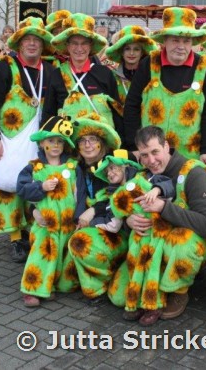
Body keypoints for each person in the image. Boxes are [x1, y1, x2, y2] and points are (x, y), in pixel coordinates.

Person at [108, 125, 206, 326]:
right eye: (144, 155)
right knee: (118, 297)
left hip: (192, 241)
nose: (151, 160)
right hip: (152, 245)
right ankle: (150, 285)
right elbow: (125, 206)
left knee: (179, 243)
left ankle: (178, 290)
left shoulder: (194, 173)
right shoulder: (143, 176)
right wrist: (128, 220)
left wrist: (163, 208)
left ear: (166, 146)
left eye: (155, 152)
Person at [0, 16, 57, 263]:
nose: (32, 44)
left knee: (36, 184)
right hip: (9, 139)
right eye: (27, 40)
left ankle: (33, 231)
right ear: (19, 43)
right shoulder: (3, 66)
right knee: (8, 186)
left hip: (40, 140)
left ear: (43, 44)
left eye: (37, 40)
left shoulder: (50, 70)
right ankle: (15, 238)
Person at [123, 7, 206, 168]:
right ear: (164, 40)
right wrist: (134, 146)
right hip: (149, 157)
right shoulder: (149, 63)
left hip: (189, 156)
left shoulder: (205, 66)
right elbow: (132, 105)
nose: (181, 46)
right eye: (175, 40)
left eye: (186, 41)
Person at [16, 115, 80, 307]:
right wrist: (41, 187)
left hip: (67, 223)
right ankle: (32, 288)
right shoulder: (34, 167)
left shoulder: (73, 166)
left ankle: (49, 285)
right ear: (42, 142)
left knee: (60, 256)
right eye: (51, 141)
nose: (55, 145)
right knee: (42, 253)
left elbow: (81, 193)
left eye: (59, 141)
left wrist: (78, 217)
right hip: (45, 222)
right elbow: (21, 189)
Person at [67, 114, 129, 300]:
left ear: (102, 143)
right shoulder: (76, 168)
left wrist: (93, 210)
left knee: (80, 243)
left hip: (115, 230)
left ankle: (100, 284)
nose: (88, 145)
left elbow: (122, 197)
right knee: (65, 282)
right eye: (83, 140)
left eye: (93, 139)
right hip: (85, 225)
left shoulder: (113, 167)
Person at [43, 13, 123, 134]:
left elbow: (117, 112)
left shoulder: (105, 74)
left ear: (91, 45)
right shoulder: (56, 75)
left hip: (100, 141)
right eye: (74, 43)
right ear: (67, 45)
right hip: (68, 141)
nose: (79, 48)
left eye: (84, 43)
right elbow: (49, 114)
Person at [104, 25, 157, 107]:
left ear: (142, 52)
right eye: (127, 49)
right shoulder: (111, 77)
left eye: (136, 49)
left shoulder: (151, 76)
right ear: (122, 52)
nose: (131, 53)